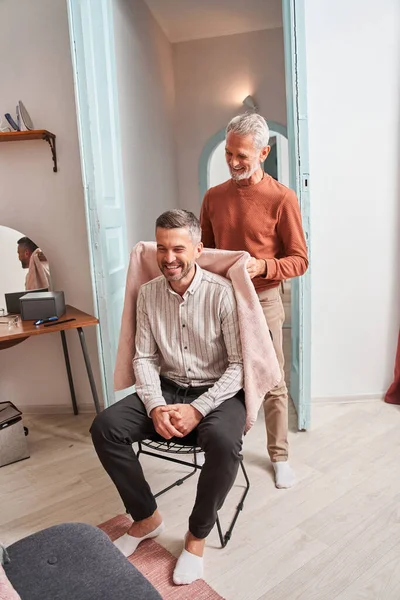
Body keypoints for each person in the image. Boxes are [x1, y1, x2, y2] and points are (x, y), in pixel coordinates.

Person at [90, 209, 245, 585]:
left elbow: (240, 366)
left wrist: (198, 409)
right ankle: (146, 518)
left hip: (219, 392)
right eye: (161, 248)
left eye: (178, 248)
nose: (168, 258)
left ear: (198, 249)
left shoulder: (222, 293)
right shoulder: (147, 294)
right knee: (105, 427)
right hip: (168, 386)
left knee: (224, 442)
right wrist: (156, 404)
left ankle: (196, 536)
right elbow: (143, 357)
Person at [200, 113, 309, 489]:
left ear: (263, 152)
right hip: (222, 300)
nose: (232, 162)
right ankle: (223, 447)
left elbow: (300, 260)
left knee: (273, 379)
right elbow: (205, 251)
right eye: (229, 153)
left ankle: (279, 457)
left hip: (263, 300)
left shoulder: (282, 198)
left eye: (242, 155)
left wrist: (262, 265)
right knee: (221, 377)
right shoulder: (213, 197)